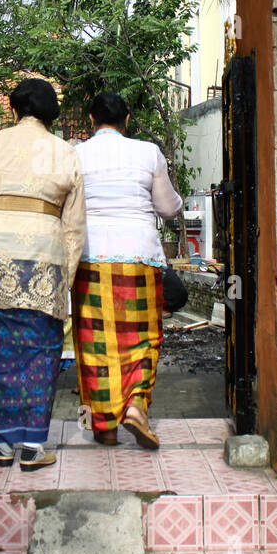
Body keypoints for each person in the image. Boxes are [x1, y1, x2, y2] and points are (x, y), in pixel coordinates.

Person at [0, 78, 85, 470]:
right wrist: (67, 275)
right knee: (40, 348)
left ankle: (1, 445)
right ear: (51, 116)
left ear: (14, 110)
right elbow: (75, 226)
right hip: (44, 253)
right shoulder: (65, 152)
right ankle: (31, 445)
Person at [71, 92, 182, 449]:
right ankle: (135, 405)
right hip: (139, 257)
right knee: (143, 338)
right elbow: (167, 208)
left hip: (90, 257)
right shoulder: (148, 152)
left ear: (91, 120)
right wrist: (176, 201)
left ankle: (104, 426)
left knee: (95, 344)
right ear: (128, 119)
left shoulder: (76, 154)